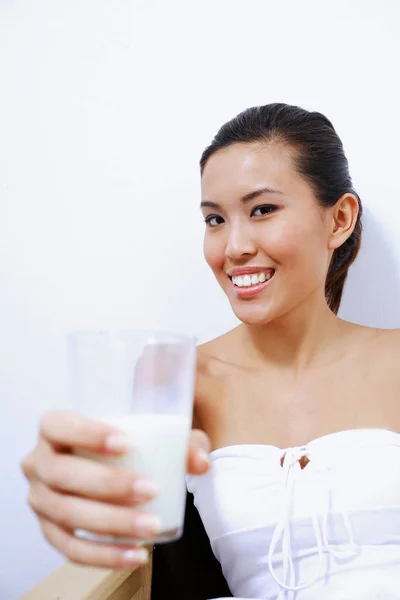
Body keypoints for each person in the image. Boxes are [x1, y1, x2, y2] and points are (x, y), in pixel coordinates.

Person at [22, 103, 400, 599]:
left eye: (262, 209)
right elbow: (135, 539)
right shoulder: (177, 376)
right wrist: (83, 505)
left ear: (340, 219)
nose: (234, 246)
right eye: (215, 219)